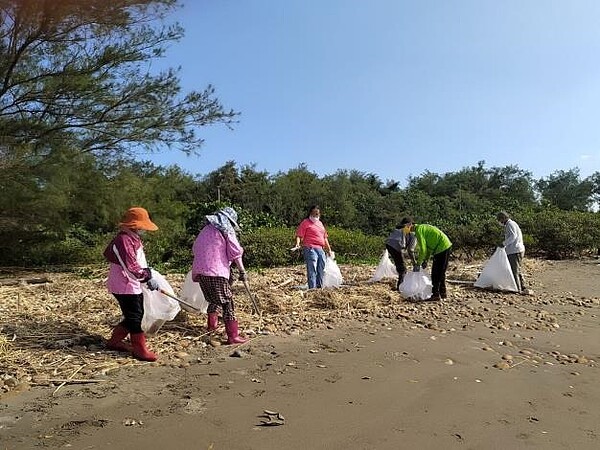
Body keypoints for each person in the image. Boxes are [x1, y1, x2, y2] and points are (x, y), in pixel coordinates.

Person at [103, 207, 160, 362]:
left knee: (134, 314)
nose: (144, 230)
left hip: (130, 282)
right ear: (134, 225)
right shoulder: (123, 240)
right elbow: (131, 266)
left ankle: (114, 341)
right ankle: (139, 349)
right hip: (124, 284)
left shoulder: (132, 238)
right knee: (135, 316)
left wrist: (146, 276)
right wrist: (147, 278)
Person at [192, 206, 248, 344]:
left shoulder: (205, 230)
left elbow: (195, 249)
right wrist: (242, 271)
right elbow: (236, 252)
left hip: (201, 272)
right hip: (216, 271)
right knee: (227, 301)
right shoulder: (226, 230)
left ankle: (212, 326)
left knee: (215, 298)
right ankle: (232, 335)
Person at [399, 217, 452, 301]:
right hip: (444, 246)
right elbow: (428, 248)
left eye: (404, 227)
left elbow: (423, 250)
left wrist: (418, 264)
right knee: (441, 271)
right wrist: (426, 260)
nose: (404, 229)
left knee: (436, 273)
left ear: (409, 225)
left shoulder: (419, 231)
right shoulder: (421, 228)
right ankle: (443, 293)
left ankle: (436, 295)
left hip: (442, 247)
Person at [293, 205, 333, 289]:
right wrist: (297, 243)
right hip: (310, 248)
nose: (316, 215)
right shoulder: (305, 222)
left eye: (317, 213)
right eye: (314, 213)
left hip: (320, 249)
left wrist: (329, 250)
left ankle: (319, 287)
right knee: (312, 268)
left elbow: (325, 237)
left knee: (321, 268)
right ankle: (312, 288)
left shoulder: (320, 224)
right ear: (310, 213)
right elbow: (299, 235)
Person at [497, 211, 526, 293]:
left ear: (503, 218)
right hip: (516, 249)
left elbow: (513, 236)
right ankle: (522, 286)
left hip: (515, 250)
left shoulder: (510, 224)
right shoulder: (511, 224)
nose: (500, 222)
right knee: (517, 269)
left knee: (514, 270)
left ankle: (517, 289)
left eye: (500, 219)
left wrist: (503, 243)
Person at [385, 224, 417, 290]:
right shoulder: (415, 235)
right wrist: (414, 262)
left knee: (399, 264)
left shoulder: (405, 230)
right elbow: (410, 250)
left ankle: (400, 285)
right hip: (397, 245)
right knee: (403, 269)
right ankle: (400, 287)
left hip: (389, 244)